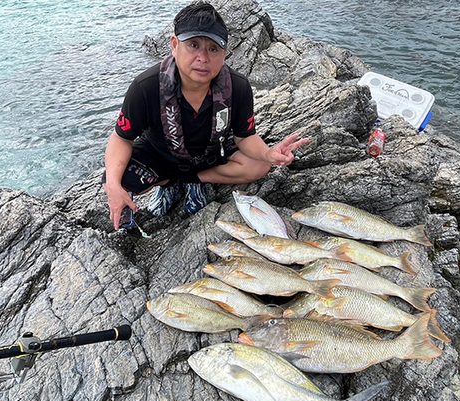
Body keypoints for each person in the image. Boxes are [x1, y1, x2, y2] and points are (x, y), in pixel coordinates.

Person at [103, 1, 309, 230]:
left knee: (260, 167)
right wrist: (113, 184)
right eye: (193, 45)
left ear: (225, 53)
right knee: (116, 179)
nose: (203, 57)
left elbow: (245, 137)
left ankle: (193, 181)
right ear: (174, 44)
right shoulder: (146, 86)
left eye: (213, 49)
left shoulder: (237, 87)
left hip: (211, 154)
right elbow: (122, 138)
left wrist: (268, 153)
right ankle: (168, 182)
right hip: (161, 154)